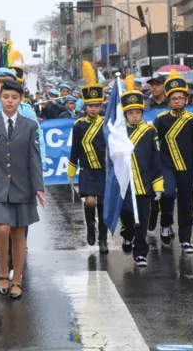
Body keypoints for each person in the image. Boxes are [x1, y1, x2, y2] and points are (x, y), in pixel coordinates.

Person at [0, 79, 45, 300]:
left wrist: (39, 187)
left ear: (20, 99)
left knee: (18, 232)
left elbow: (34, 158)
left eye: (14, 97)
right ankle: (3, 273)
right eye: (6, 97)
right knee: (1, 229)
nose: (10, 101)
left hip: (22, 185)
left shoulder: (30, 124)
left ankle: (17, 278)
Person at [153, 70, 193, 253]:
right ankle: (166, 224)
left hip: (185, 166)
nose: (177, 101)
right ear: (168, 101)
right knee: (168, 195)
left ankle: (186, 239)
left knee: (186, 202)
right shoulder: (161, 120)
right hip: (166, 164)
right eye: (173, 98)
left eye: (180, 98)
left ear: (187, 100)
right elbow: (154, 141)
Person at [119, 75, 164, 267]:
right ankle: (127, 234)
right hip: (125, 184)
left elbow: (156, 157)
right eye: (131, 113)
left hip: (144, 182)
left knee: (142, 219)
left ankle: (140, 251)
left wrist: (158, 183)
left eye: (138, 112)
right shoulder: (119, 132)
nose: (135, 116)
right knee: (128, 215)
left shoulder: (150, 131)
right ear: (125, 115)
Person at [67, 68, 108, 254]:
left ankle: (103, 238)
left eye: (97, 105)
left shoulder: (107, 123)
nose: (93, 108)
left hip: (104, 169)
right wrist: (71, 169)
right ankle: (91, 226)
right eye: (90, 105)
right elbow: (75, 149)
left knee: (103, 203)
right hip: (87, 169)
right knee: (90, 202)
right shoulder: (79, 125)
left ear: (101, 106)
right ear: (85, 106)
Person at [145, 72, 170, 233]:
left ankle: (167, 224)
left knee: (169, 193)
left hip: (169, 155)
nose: (154, 87)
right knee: (153, 191)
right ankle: (153, 214)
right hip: (150, 155)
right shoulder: (144, 106)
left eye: (158, 84)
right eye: (152, 84)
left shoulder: (173, 103)